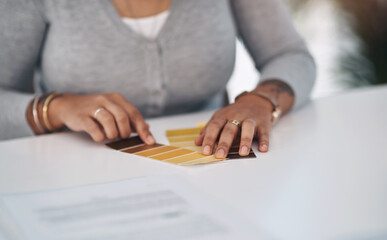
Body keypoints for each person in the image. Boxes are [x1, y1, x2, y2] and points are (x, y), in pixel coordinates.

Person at [0, 0, 316, 158]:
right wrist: (55, 108)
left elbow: (291, 54)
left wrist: (261, 100)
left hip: (217, 171)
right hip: (71, 173)